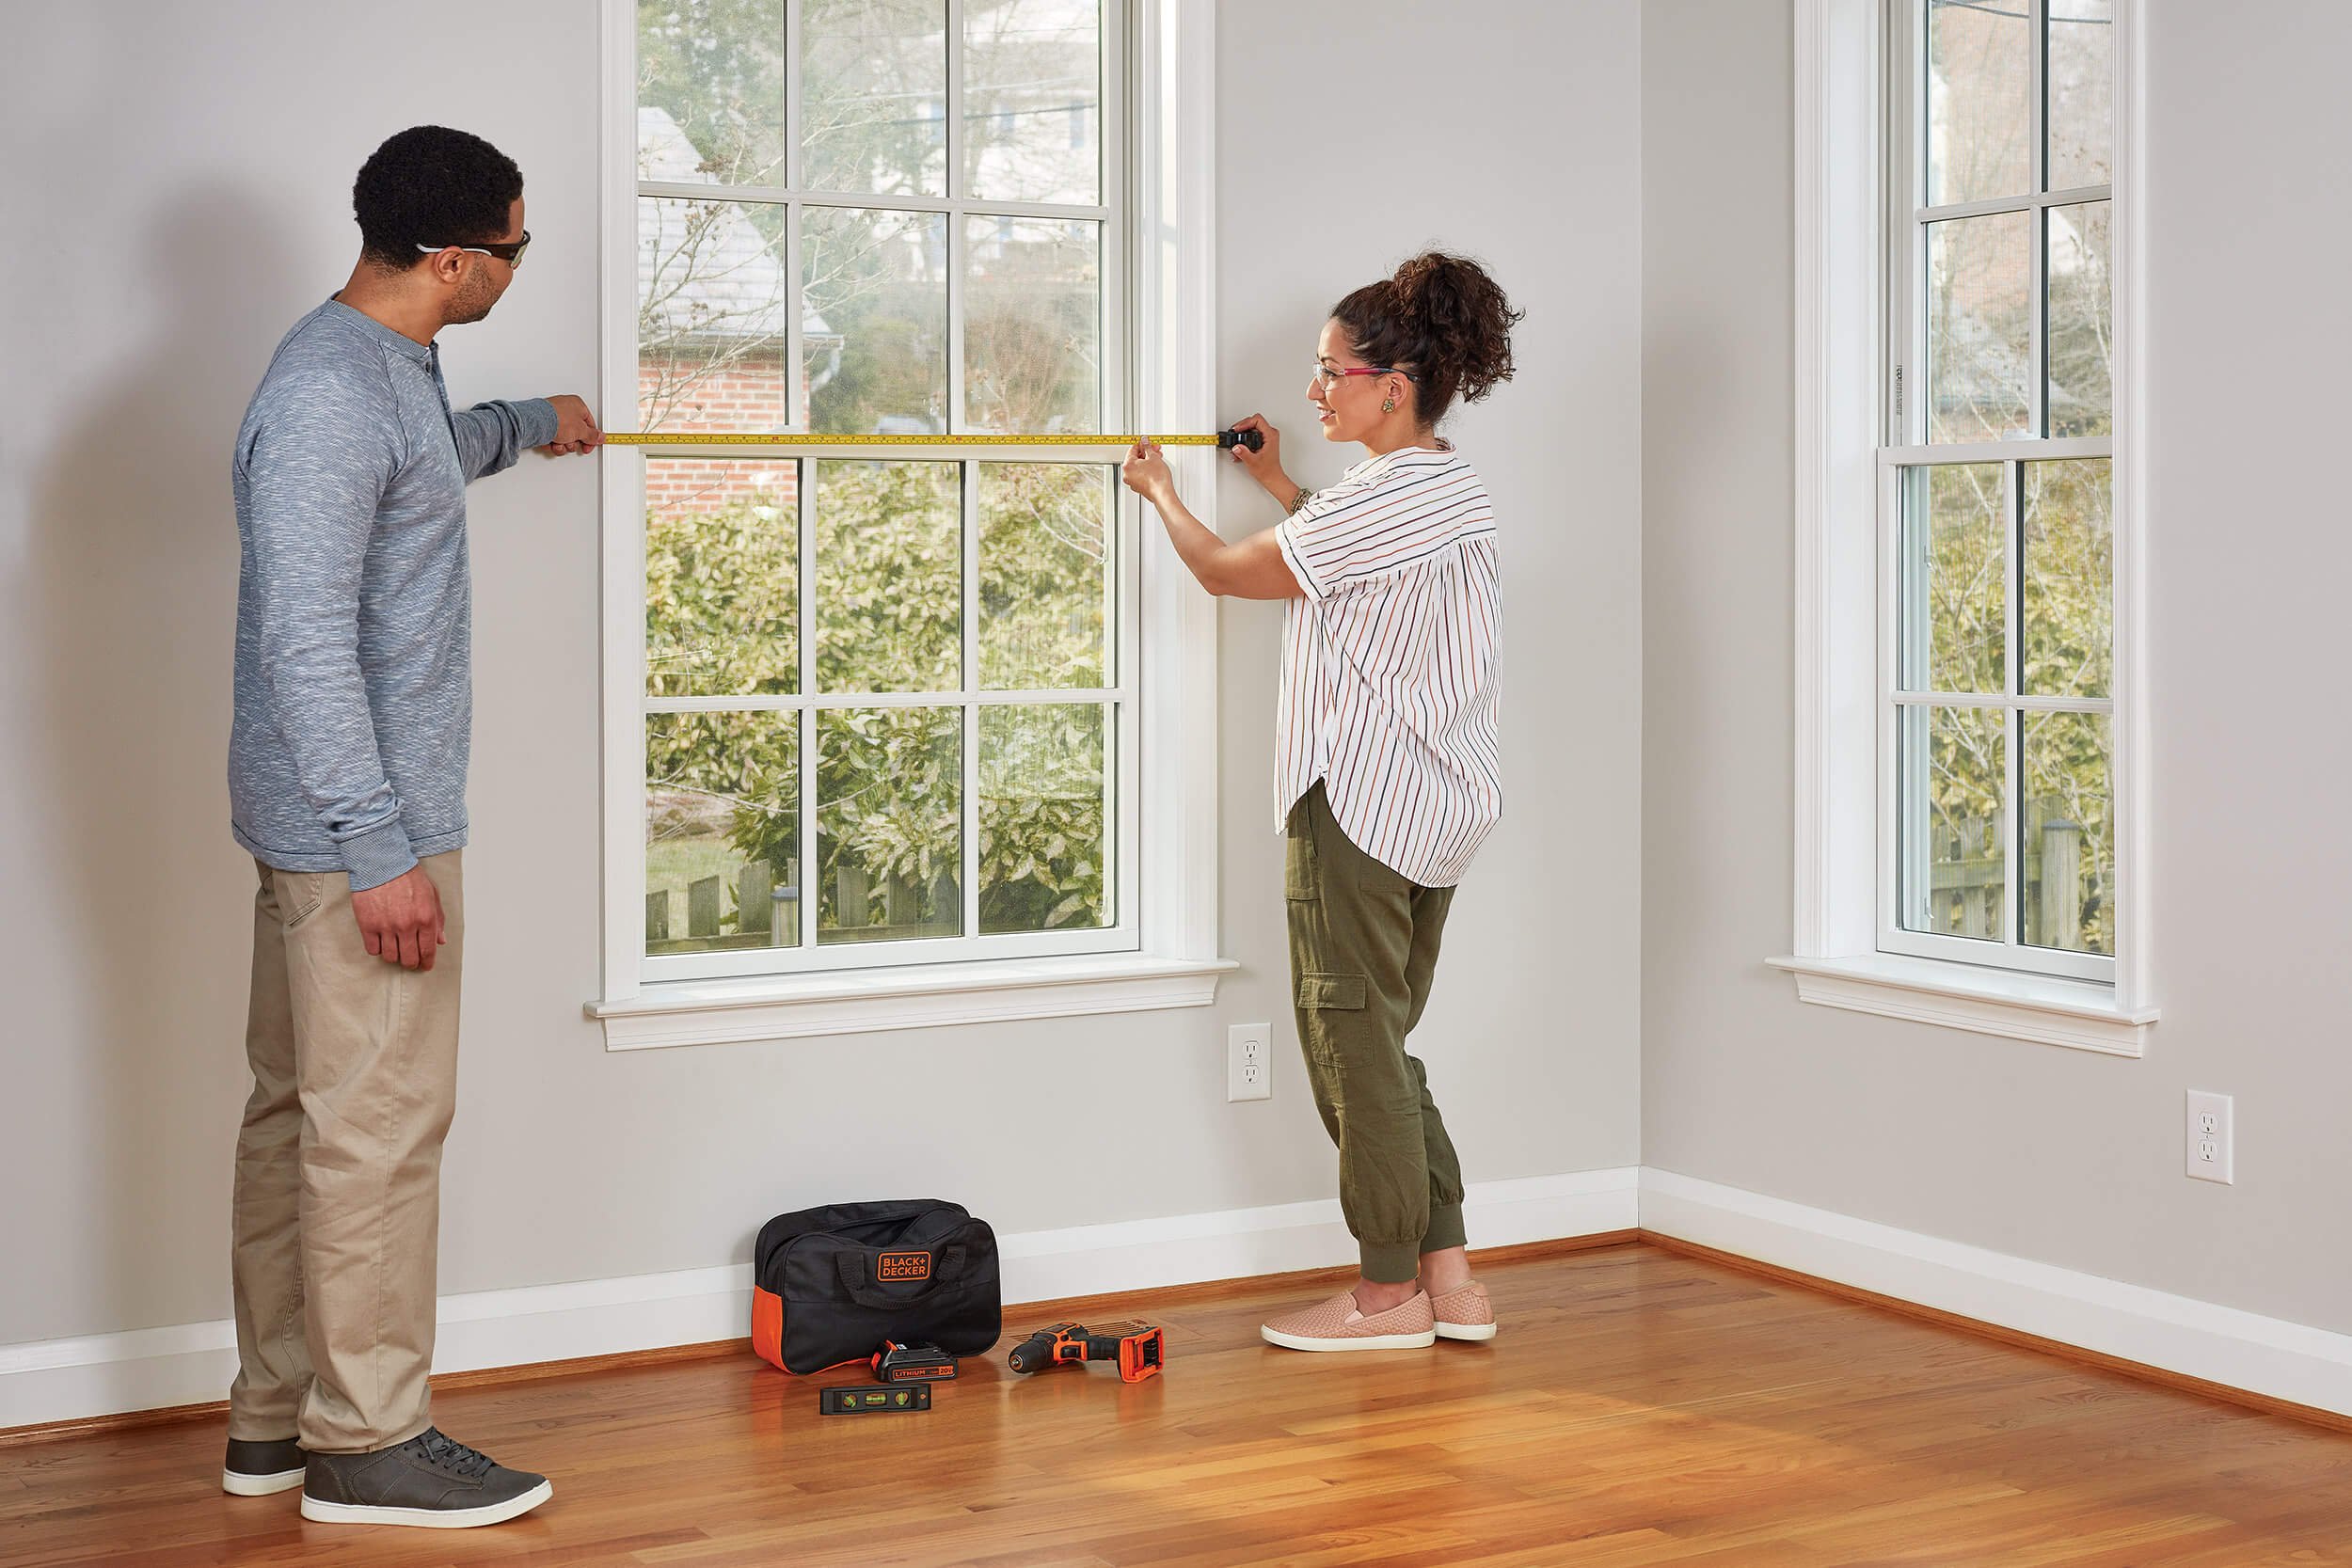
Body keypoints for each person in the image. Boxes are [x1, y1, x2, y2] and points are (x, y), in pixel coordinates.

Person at [220, 125, 597, 1528]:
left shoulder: (380, 371)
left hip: (319, 814)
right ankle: (368, 1438)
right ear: (452, 262)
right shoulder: (329, 394)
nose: (514, 266)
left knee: (301, 1117)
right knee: (377, 1129)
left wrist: (521, 423)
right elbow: (304, 632)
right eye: (509, 247)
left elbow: (409, 472)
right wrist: (379, 847)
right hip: (353, 830)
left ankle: (275, 1419)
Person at [1121, 251, 1518, 1354]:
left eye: (1330, 370)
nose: (1315, 389)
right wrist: (1280, 483)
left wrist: (1161, 494)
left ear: (1393, 383)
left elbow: (1229, 573)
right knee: (1382, 1038)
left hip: (1355, 798)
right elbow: (1347, 571)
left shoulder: (1394, 497)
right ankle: (1452, 1279)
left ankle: (1385, 1294)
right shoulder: (1443, 487)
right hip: (1432, 800)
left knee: (1350, 1043)